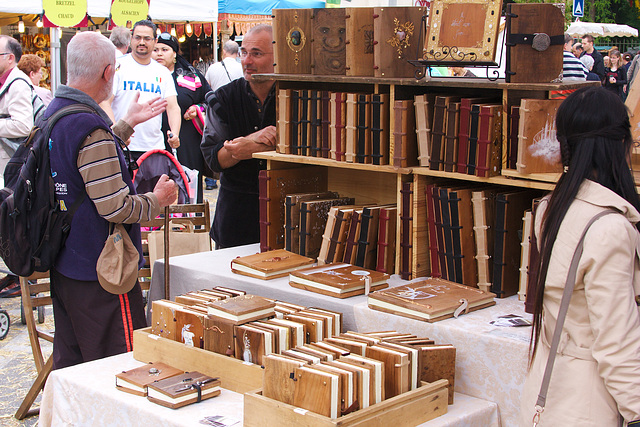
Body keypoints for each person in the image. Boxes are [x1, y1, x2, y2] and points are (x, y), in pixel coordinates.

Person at [46, 31, 177, 369]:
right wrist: (157, 199)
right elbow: (116, 206)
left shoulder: (55, 111)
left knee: (75, 364)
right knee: (119, 365)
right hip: (102, 270)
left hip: (67, 263)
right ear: (107, 73)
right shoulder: (89, 126)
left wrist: (124, 125)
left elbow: (81, 164)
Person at [519, 86, 640, 426]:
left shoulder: (549, 207)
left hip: (547, 386)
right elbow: (616, 343)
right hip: (589, 401)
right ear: (620, 145)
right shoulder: (609, 227)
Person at [201, 24, 276, 248]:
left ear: (278, 57)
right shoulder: (223, 98)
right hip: (236, 217)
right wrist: (256, 138)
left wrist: (252, 148)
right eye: (244, 52)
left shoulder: (297, 96)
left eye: (257, 54)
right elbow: (214, 159)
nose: (246, 60)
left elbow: (311, 146)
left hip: (288, 212)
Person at [101, 20, 181, 160]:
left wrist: (175, 133)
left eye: (147, 38)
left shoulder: (163, 72)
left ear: (155, 41)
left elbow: (173, 107)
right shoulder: (118, 67)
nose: (142, 42)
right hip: (123, 147)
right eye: (137, 37)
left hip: (154, 148)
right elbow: (105, 102)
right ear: (131, 39)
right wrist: (117, 132)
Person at [154, 33, 211, 203]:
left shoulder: (192, 76)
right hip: (154, 136)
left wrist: (197, 108)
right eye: (156, 49)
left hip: (187, 139)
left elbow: (209, 99)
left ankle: (190, 220)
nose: (159, 53)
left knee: (188, 180)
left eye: (165, 49)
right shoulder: (145, 75)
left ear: (174, 54)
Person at [0, 35, 34, 297]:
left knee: (9, 217)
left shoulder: (18, 84)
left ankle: (17, 275)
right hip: (9, 163)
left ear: (10, 58)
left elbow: (23, 124)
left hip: (13, 165)